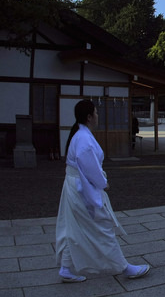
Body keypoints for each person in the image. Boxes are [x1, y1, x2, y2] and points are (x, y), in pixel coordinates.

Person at [55, 99, 150, 283]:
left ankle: (66, 268)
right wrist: (102, 182)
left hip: (74, 185)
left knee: (72, 227)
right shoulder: (83, 138)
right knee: (102, 226)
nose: (98, 116)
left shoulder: (81, 135)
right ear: (89, 117)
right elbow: (89, 165)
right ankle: (124, 267)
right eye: (96, 113)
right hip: (82, 188)